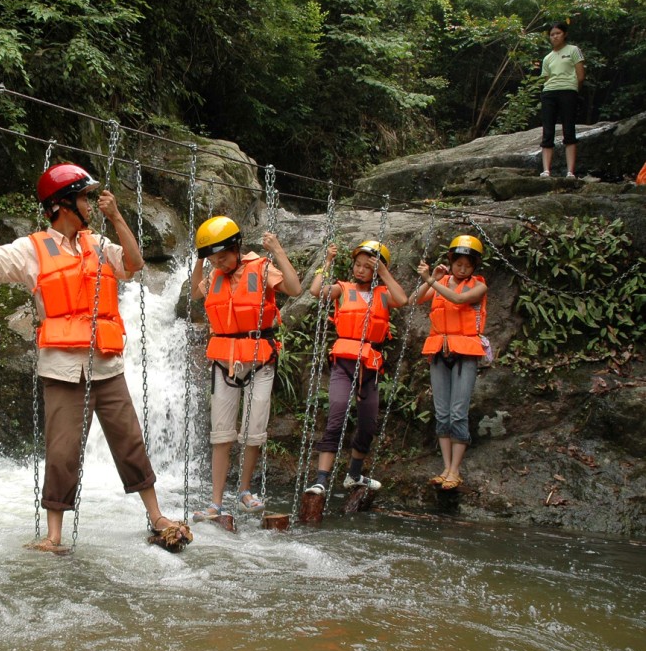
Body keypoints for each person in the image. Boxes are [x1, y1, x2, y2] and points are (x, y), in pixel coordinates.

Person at [0, 164, 191, 552]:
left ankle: (156, 517)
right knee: (61, 451)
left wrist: (117, 216)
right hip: (62, 368)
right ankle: (54, 535)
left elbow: (135, 265)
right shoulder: (32, 249)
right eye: (84, 197)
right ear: (61, 205)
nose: (89, 203)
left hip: (106, 364)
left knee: (130, 442)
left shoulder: (99, 244)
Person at [188, 217, 302, 521]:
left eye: (222, 256)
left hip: (259, 358)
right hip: (224, 361)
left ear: (237, 248)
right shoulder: (212, 273)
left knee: (254, 429)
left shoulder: (261, 268)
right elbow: (193, 294)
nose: (218, 262)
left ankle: (244, 491)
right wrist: (201, 260)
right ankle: (215, 503)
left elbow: (294, 287)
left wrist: (277, 249)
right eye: (212, 257)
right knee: (221, 433)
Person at [304, 241, 408, 496]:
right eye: (357, 265)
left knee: (368, 423)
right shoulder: (343, 288)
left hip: (370, 366)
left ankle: (354, 475)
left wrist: (383, 272)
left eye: (367, 267)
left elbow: (403, 299)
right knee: (337, 414)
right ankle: (321, 480)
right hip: (344, 363)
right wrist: (327, 261)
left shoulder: (384, 293)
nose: (360, 270)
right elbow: (316, 291)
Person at [416, 236, 488, 490]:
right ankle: (446, 467)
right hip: (439, 351)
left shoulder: (478, 285)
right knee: (442, 412)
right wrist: (433, 278)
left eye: (467, 265)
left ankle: (455, 470)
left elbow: (458, 300)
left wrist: (431, 280)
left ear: (474, 266)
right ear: (451, 262)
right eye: (458, 263)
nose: (462, 269)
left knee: (458, 411)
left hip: (465, 353)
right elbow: (417, 298)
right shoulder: (441, 281)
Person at [539, 21, 586, 178]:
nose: (555, 37)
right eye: (552, 35)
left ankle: (570, 171)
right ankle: (546, 170)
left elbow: (580, 76)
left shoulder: (573, 50)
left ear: (564, 34)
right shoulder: (548, 58)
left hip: (568, 91)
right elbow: (546, 79)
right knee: (548, 130)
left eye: (558, 33)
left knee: (569, 130)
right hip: (549, 93)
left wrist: (573, 91)